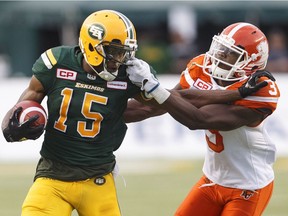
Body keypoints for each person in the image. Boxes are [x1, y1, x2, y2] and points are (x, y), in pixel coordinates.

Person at [125, 22, 280, 216]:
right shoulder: (201, 68)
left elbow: (198, 118)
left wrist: (154, 88)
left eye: (231, 52)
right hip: (212, 179)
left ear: (250, 61)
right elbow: (160, 104)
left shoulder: (260, 90)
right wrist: (107, 111)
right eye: (221, 48)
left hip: (249, 185)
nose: (220, 55)